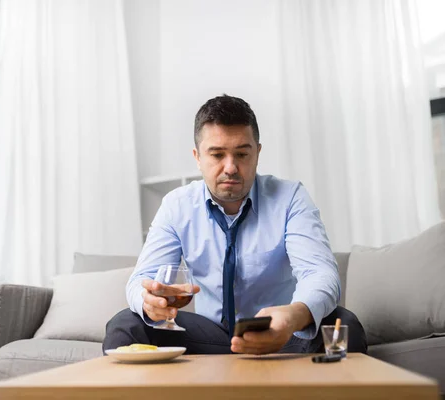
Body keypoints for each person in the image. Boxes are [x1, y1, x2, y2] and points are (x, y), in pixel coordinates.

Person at [104, 94, 367, 355]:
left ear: (258, 153)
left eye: (241, 154)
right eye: (217, 155)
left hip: (281, 333)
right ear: (197, 157)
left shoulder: (290, 197)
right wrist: (149, 301)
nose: (230, 167)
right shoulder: (177, 205)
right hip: (210, 337)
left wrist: (295, 315)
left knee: (344, 326)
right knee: (125, 324)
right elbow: (142, 279)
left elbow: (319, 273)